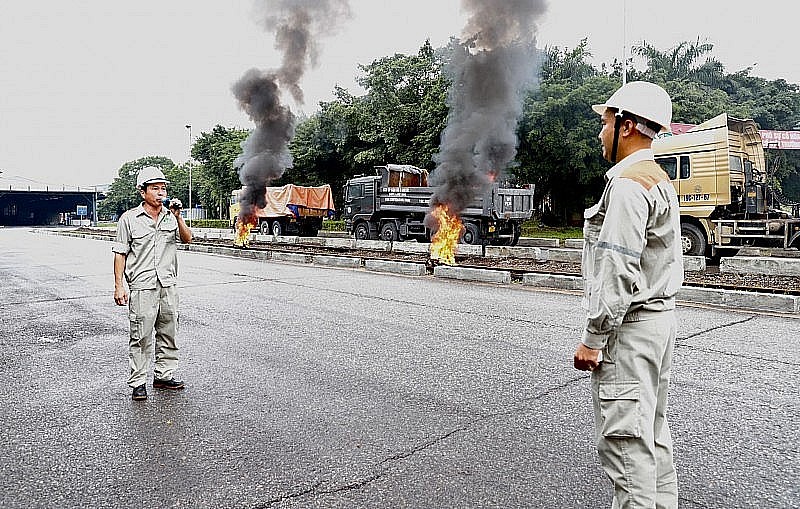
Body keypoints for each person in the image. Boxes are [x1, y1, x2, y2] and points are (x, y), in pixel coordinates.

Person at [573, 81, 683, 509]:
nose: (600, 133)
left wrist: (593, 338)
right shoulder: (657, 178)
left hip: (631, 331)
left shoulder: (627, 185)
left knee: (626, 449)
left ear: (627, 125)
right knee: (652, 439)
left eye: (605, 122)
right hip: (658, 325)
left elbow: (618, 268)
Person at [113, 166, 193, 401]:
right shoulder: (129, 219)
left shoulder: (171, 216)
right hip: (142, 286)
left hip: (167, 284)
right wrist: (119, 285)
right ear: (142, 191)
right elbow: (120, 253)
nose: (160, 193)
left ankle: (163, 375)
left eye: (163, 188)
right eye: (155, 188)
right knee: (141, 335)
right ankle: (138, 382)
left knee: (169, 332)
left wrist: (178, 216)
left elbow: (187, 239)